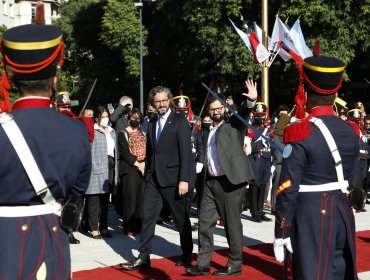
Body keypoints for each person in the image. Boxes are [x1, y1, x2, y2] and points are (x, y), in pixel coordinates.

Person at [0, 24, 91, 278]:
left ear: (12, 76)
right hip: (54, 245)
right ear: (55, 78)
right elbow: (77, 192)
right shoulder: (77, 131)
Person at [273, 56, 359, 279]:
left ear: (306, 92)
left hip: (311, 215)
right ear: (335, 92)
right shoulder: (350, 130)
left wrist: (281, 230)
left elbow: (287, 186)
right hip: (342, 210)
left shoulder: (301, 131)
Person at [186, 79, 257, 276]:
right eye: (212, 108)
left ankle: (235, 263)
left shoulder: (234, 124)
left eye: (219, 108)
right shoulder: (207, 131)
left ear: (225, 109)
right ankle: (203, 263)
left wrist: (251, 102)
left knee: (232, 224)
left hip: (231, 182)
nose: (216, 111)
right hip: (210, 182)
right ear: (208, 110)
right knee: (204, 222)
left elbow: (244, 113)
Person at [121, 86, 193, 270]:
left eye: (163, 100)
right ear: (153, 103)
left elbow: (186, 153)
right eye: (157, 101)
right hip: (153, 179)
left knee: (181, 219)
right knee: (147, 216)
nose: (160, 104)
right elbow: (152, 152)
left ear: (169, 100)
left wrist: (184, 179)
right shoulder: (151, 122)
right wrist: (147, 173)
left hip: (174, 179)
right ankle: (144, 256)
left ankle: (186, 255)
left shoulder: (180, 121)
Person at [85, 106, 117, 239]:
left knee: (105, 200)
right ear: (97, 118)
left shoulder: (112, 130)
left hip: (109, 165)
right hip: (95, 165)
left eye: (107, 116)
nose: (105, 119)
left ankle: (104, 227)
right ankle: (93, 228)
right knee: (93, 199)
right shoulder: (92, 130)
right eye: (102, 116)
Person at [117, 107, 146, 235]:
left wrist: (144, 163)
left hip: (142, 168)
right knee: (130, 199)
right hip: (130, 169)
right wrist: (138, 164)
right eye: (134, 118)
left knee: (141, 198)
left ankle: (139, 226)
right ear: (129, 118)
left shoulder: (141, 132)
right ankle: (129, 226)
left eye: (138, 119)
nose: (136, 120)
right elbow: (124, 153)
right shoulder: (123, 133)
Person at [247, 102, 274, 222]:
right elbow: (247, 147)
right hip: (256, 159)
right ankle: (254, 212)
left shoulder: (268, 129)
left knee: (263, 185)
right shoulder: (250, 128)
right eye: (257, 115)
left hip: (266, 159)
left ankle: (261, 210)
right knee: (254, 186)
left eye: (262, 115)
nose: (260, 118)